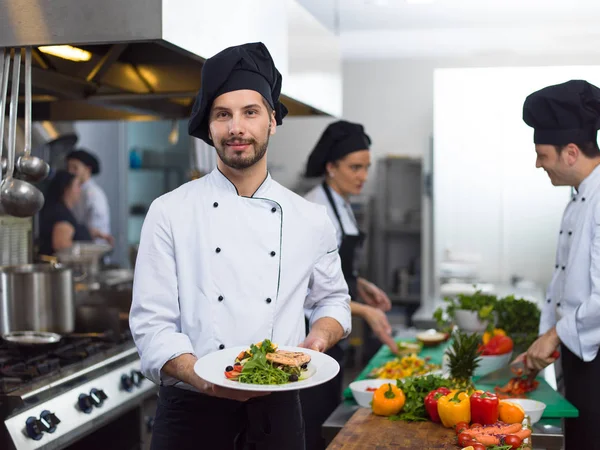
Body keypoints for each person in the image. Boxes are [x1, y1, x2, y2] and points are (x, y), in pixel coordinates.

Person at [129, 42, 351, 450]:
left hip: (278, 409)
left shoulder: (310, 218)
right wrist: (203, 378)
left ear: (272, 120)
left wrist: (317, 341)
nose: (237, 128)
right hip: (189, 415)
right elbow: (151, 324)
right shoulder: (169, 212)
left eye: (250, 112)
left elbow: (334, 301)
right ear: (208, 127)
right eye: (222, 114)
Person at [300, 120, 396, 450]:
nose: (363, 176)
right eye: (355, 167)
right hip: (313, 332)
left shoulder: (342, 202)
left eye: (366, 168)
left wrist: (361, 283)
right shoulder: (316, 209)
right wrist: (366, 311)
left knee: (330, 410)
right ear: (331, 167)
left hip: (335, 326)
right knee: (314, 420)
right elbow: (307, 289)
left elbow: (332, 266)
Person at [517, 79, 600, 448]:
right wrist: (547, 339)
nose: (537, 164)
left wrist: (553, 336)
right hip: (578, 354)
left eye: (542, 154)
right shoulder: (579, 196)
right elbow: (564, 280)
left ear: (570, 152)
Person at [38, 170, 110, 255]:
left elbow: (73, 233)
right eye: (77, 186)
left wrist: (92, 233)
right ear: (66, 189)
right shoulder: (61, 214)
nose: (80, 190)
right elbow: (61, 245)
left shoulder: (63, 211)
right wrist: (90, 250)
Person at [66, 148, 112, 244]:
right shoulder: (76, 190)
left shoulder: (93, 193)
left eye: (75, 168)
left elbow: (95, 227)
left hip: (93, 247)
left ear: (88, 169)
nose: (70, 172)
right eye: (69, 168)